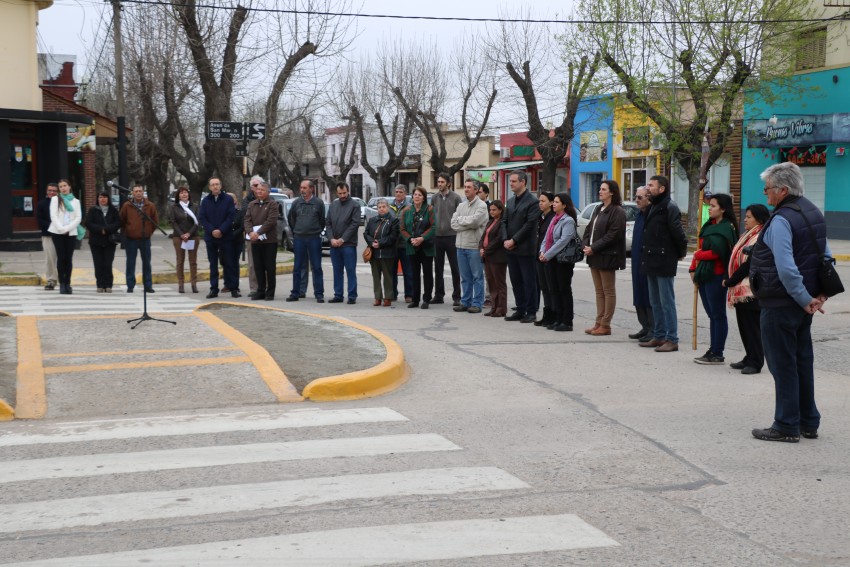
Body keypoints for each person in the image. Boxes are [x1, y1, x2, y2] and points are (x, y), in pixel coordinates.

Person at [750, 162, 832, 443]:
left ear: (783, 190)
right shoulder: (812, 212)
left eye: (768, 189)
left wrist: (803, 297)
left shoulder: (783, 219)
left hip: (781, 303)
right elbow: (824, 256)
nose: (765, 194)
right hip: (802, 303)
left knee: (783, 364)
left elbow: (786, 267)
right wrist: (817, 295)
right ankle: (808, 421)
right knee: (801, 362)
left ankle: (786, 425)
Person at [639, 175, 688, 352]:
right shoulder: (653, 206)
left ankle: (672, 338)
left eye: (651, 185)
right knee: (655, 301)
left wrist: (681, 252)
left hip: (664, 258)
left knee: (667, 301)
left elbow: (678, 232)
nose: (647, 188)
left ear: (662, 189)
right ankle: (658, 335)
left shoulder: (669, 206)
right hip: (651, 258)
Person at [690, 193, 738, 364]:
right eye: (709, 205)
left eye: (713, 206)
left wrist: (698, 255)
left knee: (718, 314)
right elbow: (701, 246)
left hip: (717, 275)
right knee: (712, 314)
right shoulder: (708, 225)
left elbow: (720, 253)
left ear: (723, 209)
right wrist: (692, 267)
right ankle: (713, 348)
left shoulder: (727, 227)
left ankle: (718, 352)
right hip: (704, 274)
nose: (710, 208)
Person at [723, 204, 770, 375]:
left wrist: (731, 281)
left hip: (751, 288)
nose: (745, 219)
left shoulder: (761, 235)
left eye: (749, 217)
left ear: (759, 218)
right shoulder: (749, 234)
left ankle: (756, 361)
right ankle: (749, 357)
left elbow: (750, 263)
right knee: (744, 325)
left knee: (752, 327)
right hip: (741, 288)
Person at [582, 179, 627, 336]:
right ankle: (598, 322)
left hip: (607, 256)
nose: (600, 191)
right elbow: (589, 230)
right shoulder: (598, 209)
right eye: (600, 189)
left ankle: (606, 324)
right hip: (594, 255)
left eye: (603, 189)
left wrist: (594, 247)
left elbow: (613, 235)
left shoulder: (617, 211)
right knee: (599, 291)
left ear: (612, 192)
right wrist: (586, 246)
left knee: (608, 290)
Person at [539, 193, 579, 332]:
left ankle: (567, 321)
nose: (554, 204)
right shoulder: (554, 219)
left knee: (564, 290)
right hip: (551, 259)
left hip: (562, 261)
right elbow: (546, 238)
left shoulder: (568, 221)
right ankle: (557, 318)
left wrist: (548, 254)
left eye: (557, 202)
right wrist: (542, 252)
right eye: (554, 202)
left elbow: (563, 241)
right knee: (553, 289)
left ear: (564, 205)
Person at [503, 171, 539, 323]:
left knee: (528, 281)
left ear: (523, 182)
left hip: (525, 248)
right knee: (515, 280)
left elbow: (529, 225)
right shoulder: (510, 201)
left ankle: (531, 311)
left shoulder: (532, 202)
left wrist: (514, 240)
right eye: (510, 181)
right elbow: (503, 221)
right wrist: (505, 239)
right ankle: (520, 308)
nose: (511, 184)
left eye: (514, 181)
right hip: (510, 249)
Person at [451, 179, 489, 314]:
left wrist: (461, 221)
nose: (466, 189)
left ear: (476, 190)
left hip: (474, 246)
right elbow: (453, 224)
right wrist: (465, 222)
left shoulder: (482, 206)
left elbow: (475, 222)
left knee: (477, 276)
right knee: (465, 277)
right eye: (465, 186)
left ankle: (477, 303)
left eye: (469, 187)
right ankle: (465, 302)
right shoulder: (461, 205)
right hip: (460, 245)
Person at [286, 178, 325, 303]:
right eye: (301, 188)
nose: (302, 190)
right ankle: (296, 292)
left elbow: (322, 220)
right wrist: (297, 231)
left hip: (314, 238)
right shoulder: (296, 203)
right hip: (299, 238)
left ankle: (319, 294)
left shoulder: (318, 203)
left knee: (317, 267)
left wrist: (315, 230)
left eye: (305, 188)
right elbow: (291, 219)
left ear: (311, 189)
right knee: (298, 267)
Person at [199, 176, 236, 299]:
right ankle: (213, 289)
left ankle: (233, 288)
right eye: (212, 185)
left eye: (217, 184)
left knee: (229, 263)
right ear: (209, 187)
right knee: (213, 264)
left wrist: (221, 230)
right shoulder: (205, 201)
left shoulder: (228, 199)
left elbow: (230, 217)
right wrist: (212, 230)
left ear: (220, 185)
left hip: (225, 236)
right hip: (211, 237)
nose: (215, 186)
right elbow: (202, 218)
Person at [119, 184, 159, 294]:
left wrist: (149, 232)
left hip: (145, 239)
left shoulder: (150, 206)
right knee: (130, 263)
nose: (138, 193)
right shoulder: (127, 205)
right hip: (131, 239)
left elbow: (155, 221)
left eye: (140, 191)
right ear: (132, 193)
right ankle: (130, 285)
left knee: (147, 263)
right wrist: (126, 231)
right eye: (136, 191)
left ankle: (148, 285)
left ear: (143, 192)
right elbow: (121, 220)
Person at [400, 186, 436, 309]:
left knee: (427, 273)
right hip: (412, 246)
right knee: (414, 273)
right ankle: (415, 299)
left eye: (420, 195)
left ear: (424, 197)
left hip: (426, 246)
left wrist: (422, 238)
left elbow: (433, 227)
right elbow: (402, 228)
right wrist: (410, 239)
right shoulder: (407, 211)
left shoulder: (430, 210)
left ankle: (426, 299)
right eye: (415, 194)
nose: (417, 197)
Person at [243, 181, 279, 301]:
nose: (259, 191)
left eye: (262, 190)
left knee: (269, 267)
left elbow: (271, 221)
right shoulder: (252, 204)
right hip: (255, 240)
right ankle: (260, 291)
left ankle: (270, 292)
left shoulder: (273, 204)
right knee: (258, 267)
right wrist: (250, 232)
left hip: (269, 241)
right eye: (257, 189)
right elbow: (247, 220)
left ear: (267, 192)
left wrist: (259, 232)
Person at [326, 181, 361, 304]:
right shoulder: (333, 205)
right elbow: (328, 223)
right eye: (340, 193)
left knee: (350, 270)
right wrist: (331, 239)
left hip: (348, 245)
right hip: (334, 244)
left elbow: (355, 224)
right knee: (337, 271)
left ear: (348, 191)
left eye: (344, 193)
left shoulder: (355, 205)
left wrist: (342, 239)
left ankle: (352, 296)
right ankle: (338, 295)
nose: (342, 196)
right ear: (337, 193)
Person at [431, 172, 462, 306]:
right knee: (438, 268)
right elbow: (432, 215)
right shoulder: (434, 198)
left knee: (455, 267)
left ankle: (457, 296)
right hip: (437, 236)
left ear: (448, 183)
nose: (440, 184)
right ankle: (439, 295)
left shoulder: (456, 197)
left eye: (442, 182)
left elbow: (459, 216)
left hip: (452, 236)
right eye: (438, 182)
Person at [48, 179, 83, 295]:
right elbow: (53, 215)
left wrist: (67, 229)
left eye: (65, 186)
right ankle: (62, 283)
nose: (63, 188)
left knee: (68, 258)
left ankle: (68, 283)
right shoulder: (55, 199)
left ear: (69, 186)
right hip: (57, 231)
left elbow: (78, 217)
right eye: (61, 186)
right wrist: (61, 229)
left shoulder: (76, 201)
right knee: (61, 257)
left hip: (71, 232)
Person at [629, 186, 654, 341]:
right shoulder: (639, 214)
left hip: (648, 260)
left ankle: (653, 327)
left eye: (640, 197)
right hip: (637, 259)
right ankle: (644, 326)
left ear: (648, 199)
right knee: (638, 293)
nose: (636, 200)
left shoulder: (651, 214)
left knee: (648, 294)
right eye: (636, 197)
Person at [364, 199, 399, 306]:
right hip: (374, 253)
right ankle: (377, 297)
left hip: (387, 253)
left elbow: (393, 236)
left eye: (384, 207)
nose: (382, 209)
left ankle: (388, 297)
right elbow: (366, 233)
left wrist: (380, 243)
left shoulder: (393, 221)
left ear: (388, 207)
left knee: (388, 276)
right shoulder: (372, 220)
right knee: (376, 276)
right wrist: (372, 242)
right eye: (379, 207)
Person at [85, 190, 121, 293]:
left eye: (105, 197)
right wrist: (101, 229)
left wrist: (107, 229)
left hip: (109, 242)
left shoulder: (113, 210)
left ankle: (108, 285)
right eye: (100, 197)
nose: (103, 199)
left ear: (108, 199)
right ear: (98, 199)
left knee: (108, 264)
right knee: (98, 264)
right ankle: (100, 284)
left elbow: (118, 222)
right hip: (96, 242)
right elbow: (88, 223)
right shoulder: (93, 210)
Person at [167, 185, 200, 294]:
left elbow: (197, 222)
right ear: (178, 196)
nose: (184, 194)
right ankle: (181, 283)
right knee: (180, 261)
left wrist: (189, 234)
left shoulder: (194, 206)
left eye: (185, 192)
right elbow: (173, 222)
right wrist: (182, 234)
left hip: (193, 236)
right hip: (178, 237)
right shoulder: (174, 207)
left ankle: (194, 284)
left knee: (193, 261)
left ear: (188, 194)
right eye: (181, 193)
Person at [479, 200, 508, 317]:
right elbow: (483, 237)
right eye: (490, 210)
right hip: (487, 257)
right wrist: (481, 247)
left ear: (500, 210)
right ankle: (494, 307)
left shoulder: (502, 223)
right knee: (491, 282)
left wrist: (486, 250)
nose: (491, 212)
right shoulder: (490, 222)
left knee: (499, 283)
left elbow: (498, 239)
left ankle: (501, 309)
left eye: (494, 210)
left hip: (497, 257)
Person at [534, 192, 556, 327]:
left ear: (551, 202)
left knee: (550, 287)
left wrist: (545, 253)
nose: (540, 203)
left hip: (548, 256)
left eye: (543, 201)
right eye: (539, 201)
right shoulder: (540, 216)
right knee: (543, 286)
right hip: (539, 254)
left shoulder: (553, 218)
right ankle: (546, 314)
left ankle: (553, 315)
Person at [389, 184, 413, 303]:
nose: (398, 194)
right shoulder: (390, 207)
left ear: (405, 194)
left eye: (400, 192)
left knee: (408, 271)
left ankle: (409, 294)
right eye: (396, 192)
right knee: (392, 271)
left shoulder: (409, 207)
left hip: (405, 244)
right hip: (393, 244)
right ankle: (393, 293)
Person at [37, 183, 59, 291]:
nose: (52, 192)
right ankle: (51, 280)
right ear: (46, 191)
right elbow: (40, 220)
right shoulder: (42, 204)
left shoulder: (62, 203)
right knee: (50, 259)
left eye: (54, 191)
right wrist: (53, 226)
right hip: (48, 235)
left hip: (62, 235)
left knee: (63, 259)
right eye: (50, 190)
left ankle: (64, 280)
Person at [224, 192, 244, 298]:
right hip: (225, 241)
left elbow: (242, 227)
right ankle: (227, 283)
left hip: (237, 241)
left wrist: (232, 235)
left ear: (235, 200)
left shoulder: (240, 212)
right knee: (226, 262)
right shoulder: (223, 212)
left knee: (234, 263)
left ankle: (235, 286)